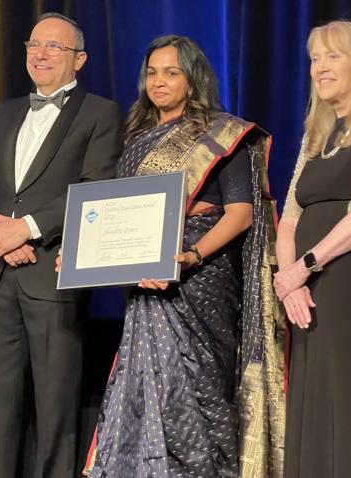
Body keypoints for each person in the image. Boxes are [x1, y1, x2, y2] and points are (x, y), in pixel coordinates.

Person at [78, 35, 286, 477]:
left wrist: (188, 256)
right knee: (143, 386)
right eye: (152, 73)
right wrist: (87, 253)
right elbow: (121, 216)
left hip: (201, 279)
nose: (159, 81)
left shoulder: (221, 134)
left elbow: (241, 214)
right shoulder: (137, 139)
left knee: (196, 389)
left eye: (171, 72)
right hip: (146, 283)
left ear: (193, 79)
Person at [0, 12, 122, 477]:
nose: (41, 53)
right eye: (34, 44)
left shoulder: (100, 113)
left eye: (55, 46)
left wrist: (28, 228)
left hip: (53, 274)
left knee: (55, 406)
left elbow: (96, 187)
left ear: (80, 59)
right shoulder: (7, 110)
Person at [273, 20, 351, 478]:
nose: (319, 68)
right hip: (304, 289)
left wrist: (303, 268)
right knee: (310, 394)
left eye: (332, 56)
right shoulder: (316, 136)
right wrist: (289, 283)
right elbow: (288, 219)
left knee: (346, 391)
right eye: (314, 58)